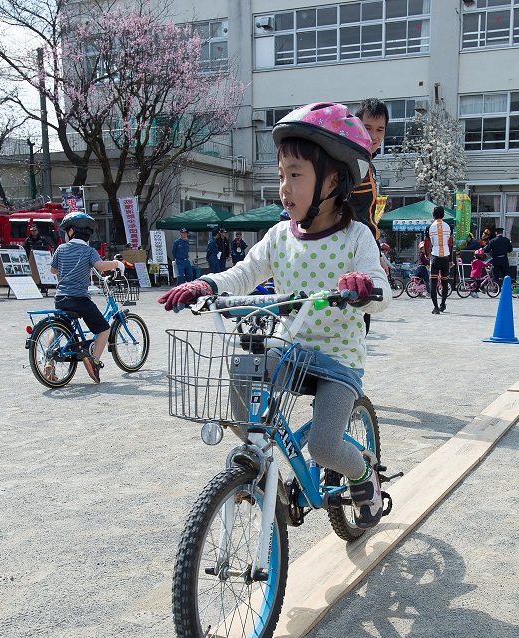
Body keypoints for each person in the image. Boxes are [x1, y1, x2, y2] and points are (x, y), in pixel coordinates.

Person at [158, 102, 389, 528]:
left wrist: (363, 287)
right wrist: (206, 285)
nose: (284, 187)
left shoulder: (356, 237)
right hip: (293, 352)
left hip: (339, 363)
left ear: (334, 179)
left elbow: (380, 289)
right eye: (281, 175)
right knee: (243, 376)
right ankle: (264, 469)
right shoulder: (278, 236)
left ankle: (364, 477)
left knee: (323, 446)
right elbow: (244, 272)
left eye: (296, 175)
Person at [49, 212, 122, 384]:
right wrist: (117, 263)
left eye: (65, 231)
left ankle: (48, 360)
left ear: (72, 231)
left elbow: (53, 270)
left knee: (59, 328)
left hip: (60, 298)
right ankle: (94, 361)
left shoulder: (61, 249)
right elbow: (100, 266)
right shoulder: (89, 251)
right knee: (104, 329)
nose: (65, 234)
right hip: (79, 299)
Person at [351, 98, 389, 334]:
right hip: (348, 254)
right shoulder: (350, 163)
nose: (374, 136)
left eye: (380, 129)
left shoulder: (366, 163)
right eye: (367, 128)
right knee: (354, 328)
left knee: (360, 328)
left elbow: (366, 217)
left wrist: (376, 254)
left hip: (361, 252)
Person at [426, 205, 452, 314]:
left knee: (433, 282)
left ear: (433, 214)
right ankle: (443, 304)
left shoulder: (429, 227)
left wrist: (427, 256)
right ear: (443, 214)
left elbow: (427, 243)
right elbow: (450, 243)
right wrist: (451, 259)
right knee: (445, 282)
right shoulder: (449, 226)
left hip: (435, 256)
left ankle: (435, 307)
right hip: (446, 256)